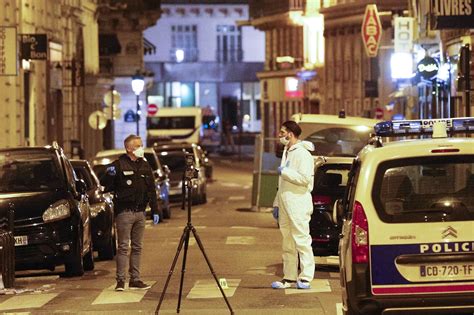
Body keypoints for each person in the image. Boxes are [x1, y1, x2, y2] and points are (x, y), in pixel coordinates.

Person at [100, 134, 158, 291]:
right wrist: (108, 174)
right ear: (129, 148)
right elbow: (105, 184)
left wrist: (155, 210)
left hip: (140, 212)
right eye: (138, 146)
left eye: (141, 145)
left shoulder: (145, 165)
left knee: (138, 247)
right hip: (124, 213)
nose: (141, 148)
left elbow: (151, 189)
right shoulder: (118, 165)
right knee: (124, 247)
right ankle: (120, 281)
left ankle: (135, 279)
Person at [271, 121, 315, 290]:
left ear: (290, 133)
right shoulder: (287, 151)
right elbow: (282, 184)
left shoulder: (302, 154)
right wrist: (276, 204)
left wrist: (286, 172)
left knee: (302, 241)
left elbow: (305, 179)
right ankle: (289, 277)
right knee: (287, 243)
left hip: (298, 204)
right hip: (285, 204)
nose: (280, 135)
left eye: (282, 132)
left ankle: (305, 277)